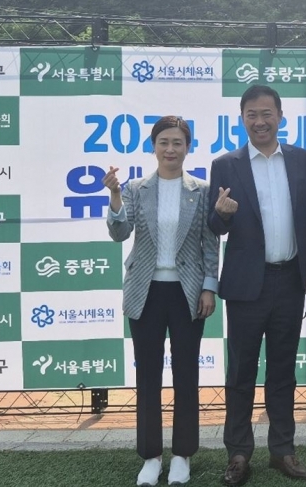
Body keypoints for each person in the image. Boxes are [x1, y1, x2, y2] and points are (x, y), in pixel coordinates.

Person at [207, 85, 306, 486]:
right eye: (252, 115)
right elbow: (214, 226)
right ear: (242, 119)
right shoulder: (226, 165)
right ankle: (239, 454)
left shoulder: (302, 160)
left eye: (266, 114)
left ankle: (283, 450)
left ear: (280, 116)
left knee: (282, 371)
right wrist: (222, 214)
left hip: (290, 279)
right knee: (241, 373)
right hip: (245, 286)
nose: (260, 122)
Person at [105, 115, 219, 487]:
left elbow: (210, 244)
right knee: (148, 376)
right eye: (164, 142)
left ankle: (183, 455)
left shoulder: (202, 190)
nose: (170, 149)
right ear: (154, 146)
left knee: (186, 375)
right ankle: (151, 457)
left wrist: (209, 287)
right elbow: (120, 233)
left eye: (177, 142)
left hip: (188, 293)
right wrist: (115, 196)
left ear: (188, 147)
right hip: (145, 291)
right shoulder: (136, 188)